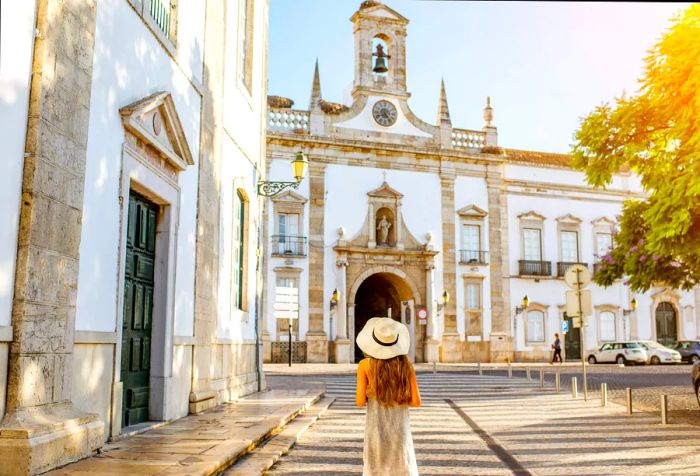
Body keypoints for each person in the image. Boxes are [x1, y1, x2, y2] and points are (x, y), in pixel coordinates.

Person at [356, 317, 421, 476]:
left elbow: (359, 401)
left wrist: (374, 389)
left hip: (376, 429)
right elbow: (416, 401)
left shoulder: (365, 365)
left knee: (376, 469)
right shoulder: (406, 365)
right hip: (400, 430)